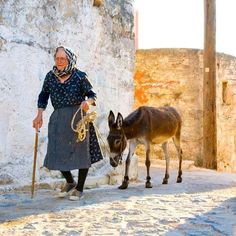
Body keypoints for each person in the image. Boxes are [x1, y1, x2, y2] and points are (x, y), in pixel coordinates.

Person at [32, 46, 103, 201]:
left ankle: (80, 188)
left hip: (78, 119)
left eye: (62, 58)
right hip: (58, 118)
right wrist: (39, 115)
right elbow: (43, 96)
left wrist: (87, 102)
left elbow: (92, 94)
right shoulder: (50, 77)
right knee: (56, 152)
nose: (59, 61)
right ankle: (70, 182)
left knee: (81, 153)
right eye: (57, 58)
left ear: (69, 60)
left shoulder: (79, 76)